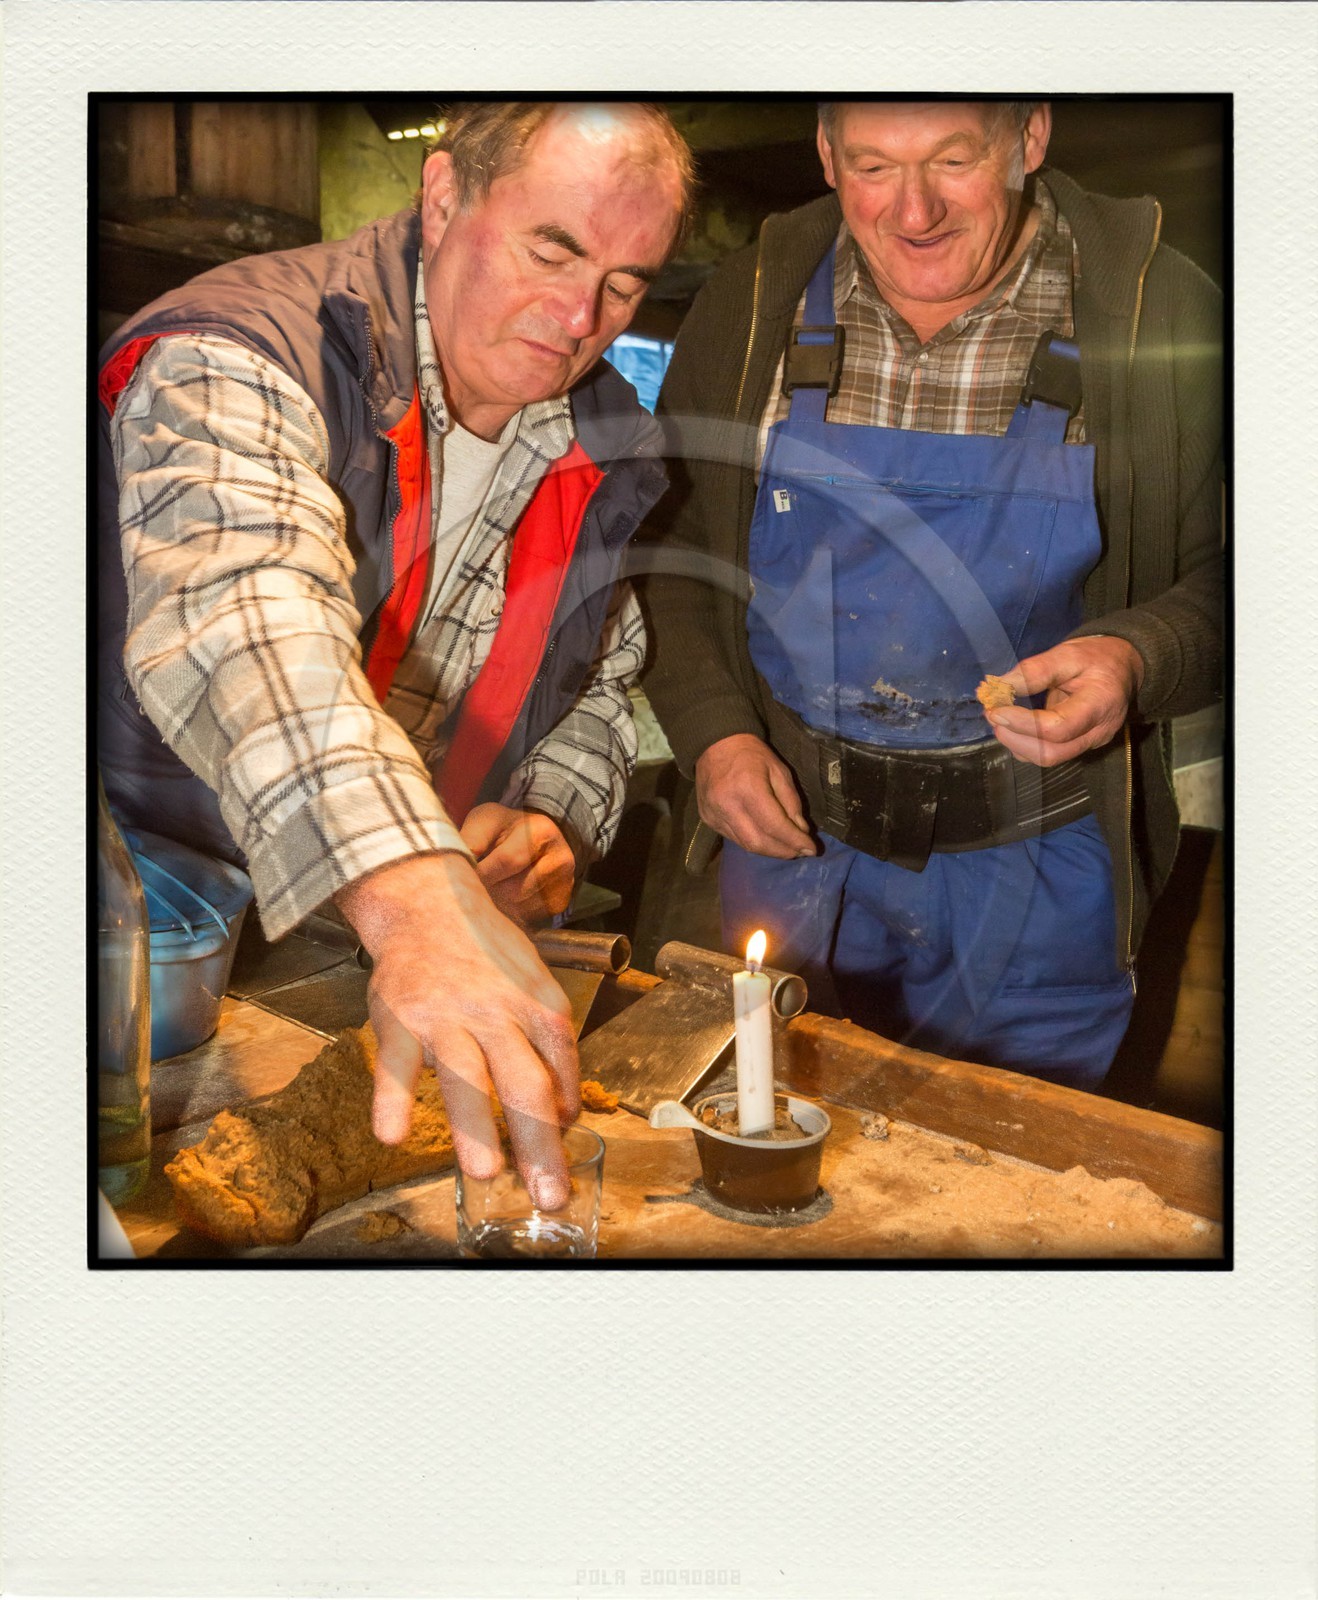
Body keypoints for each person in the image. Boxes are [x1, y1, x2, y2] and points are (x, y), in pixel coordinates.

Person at [98, 102, 693, 1206]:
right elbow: (242, 604)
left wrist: (552, 814)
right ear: (443, 197)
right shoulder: (239, 347)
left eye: (624, 284)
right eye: (551, 248)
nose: (577, 316)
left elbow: (603, 684)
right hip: (145, 937)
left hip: (367, 954)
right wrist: (417, 896)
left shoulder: (606, 436)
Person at [640, 100, 1222, 1090]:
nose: (912, 213)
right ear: (825, 155)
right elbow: (676, 540)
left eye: (951, 160)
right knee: (780, 1172)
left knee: (1017, 1195)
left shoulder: (1157, 311)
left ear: (1027, 141)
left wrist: (1139, 655)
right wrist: (712, 731)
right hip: (794, 841)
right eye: (871, 166)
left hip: (1039, 861)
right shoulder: (750, 305)